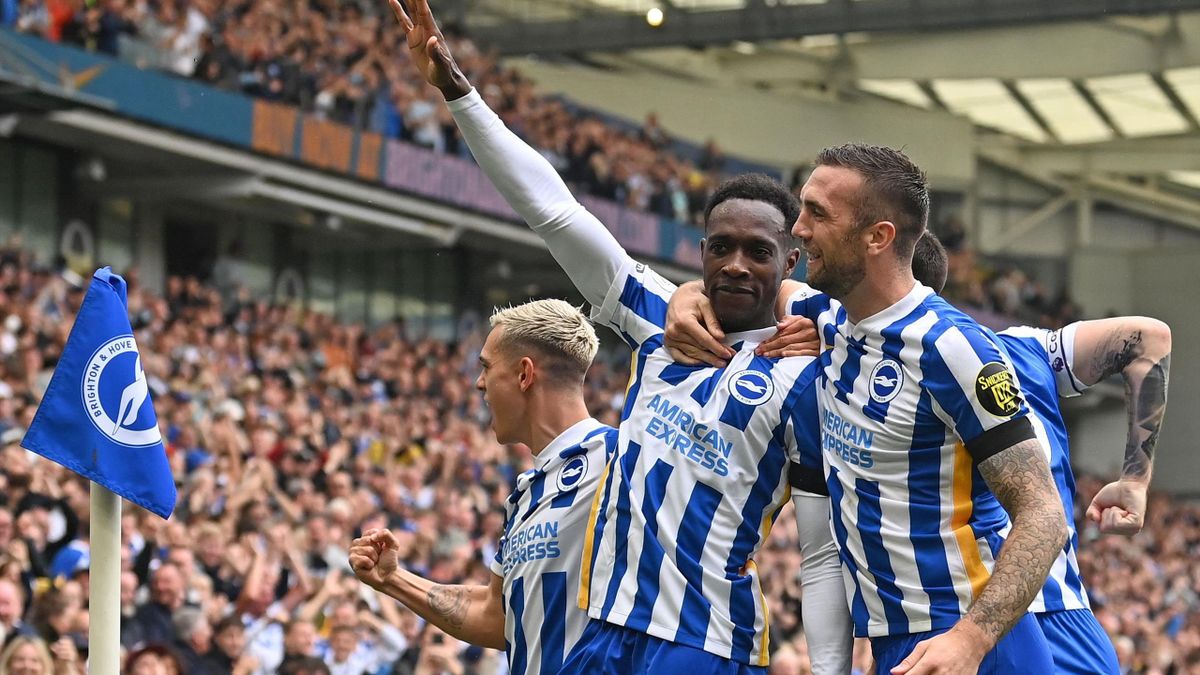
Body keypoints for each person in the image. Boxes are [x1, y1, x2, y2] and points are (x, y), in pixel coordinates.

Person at [381, 1, 850, 673]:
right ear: (702, 251)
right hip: (601, 636)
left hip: (702, 640)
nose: (737, 264)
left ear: (788, 261)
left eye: (757, 250)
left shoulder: (810, 370)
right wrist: (461, 94)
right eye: (721, 247)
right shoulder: (660, 315)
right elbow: (553, 210)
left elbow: (822, 548)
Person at [666, 145, 1070, 674]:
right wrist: (688, 294)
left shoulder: (950, 349)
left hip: (970, 640)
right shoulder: (831, 318)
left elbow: (1044, 515)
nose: (799, 229)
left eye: (817, 213)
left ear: (878, 237)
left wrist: (972, 640)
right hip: (893, 641)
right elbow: (749, 283)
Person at [919, 232, 1171, 674]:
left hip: (977, 621)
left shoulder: (878, 369)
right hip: (1070, 619)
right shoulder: (1024, 348)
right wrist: (1134, 479)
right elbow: (1148, 337)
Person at [349, 299, 618, 675]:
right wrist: (393, 579)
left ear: (524, 374)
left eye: (487, 368)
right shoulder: (526, 493)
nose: (479, 384)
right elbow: (496, 614)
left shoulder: (622, 461)